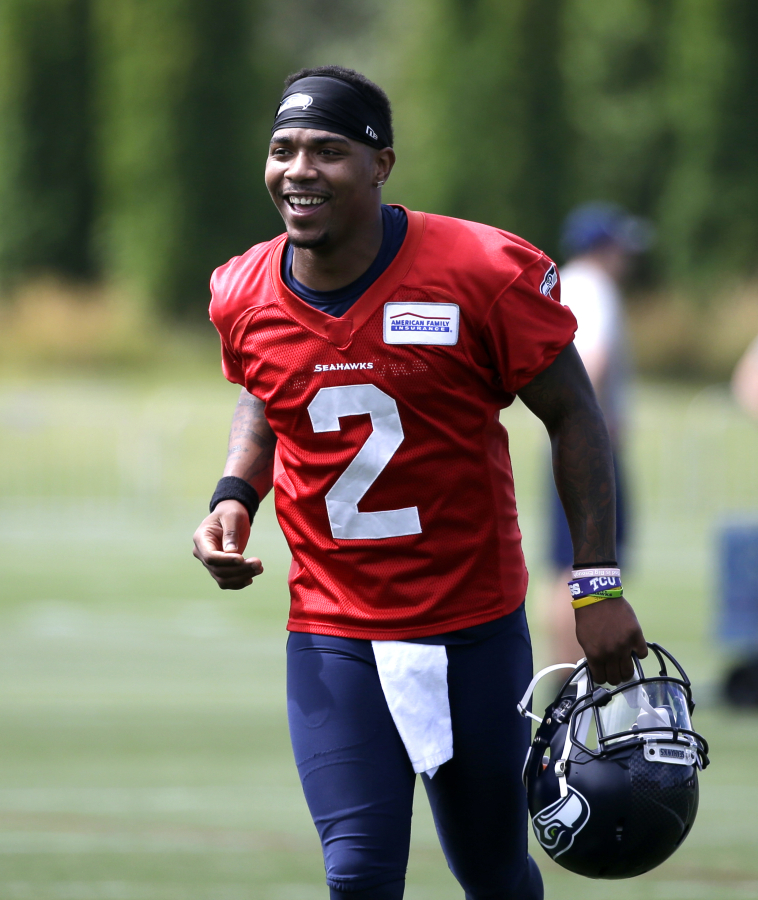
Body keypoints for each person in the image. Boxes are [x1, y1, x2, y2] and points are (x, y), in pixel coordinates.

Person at [192, 65, 647, 900]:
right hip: (334, 632)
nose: (299, 170)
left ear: (380, 164)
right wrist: (232, 495)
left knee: (493, 876)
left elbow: (576, 415)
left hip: (469, 626)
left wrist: (595, 585)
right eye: (283, 149)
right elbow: (267, 394)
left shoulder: (480, 269)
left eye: (327, 150)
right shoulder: (243, 290)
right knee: (358, 876)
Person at [546, 203, 651, 666]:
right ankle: (576, 673)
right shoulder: (596, 288)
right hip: (590, 447)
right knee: (586, 564)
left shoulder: (565, 282)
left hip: (570, 443)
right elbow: (595, 359)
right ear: (603, 247)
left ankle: (566, 671)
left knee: (564, 563)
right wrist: (593, 422)